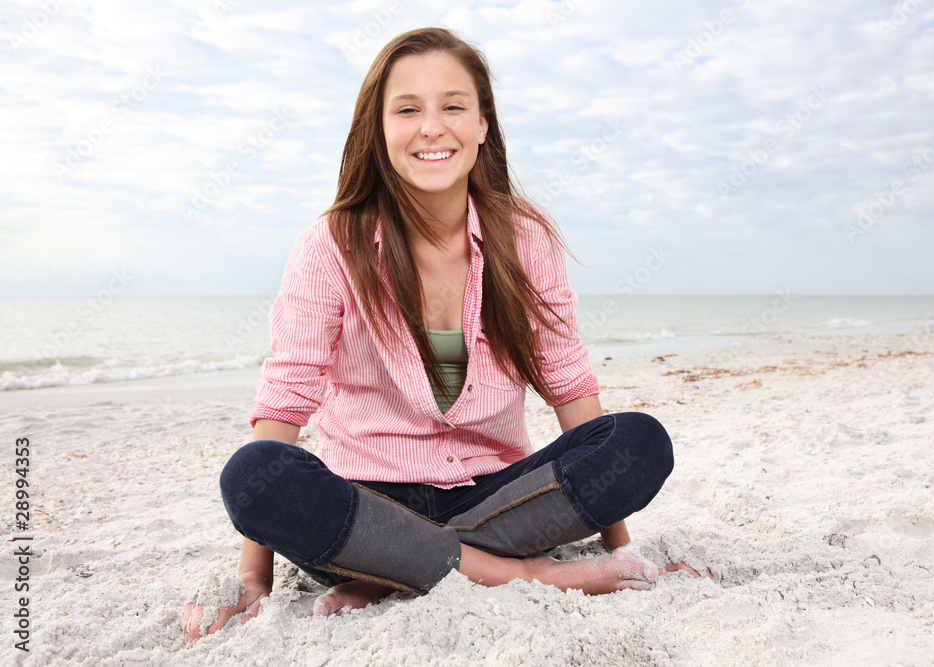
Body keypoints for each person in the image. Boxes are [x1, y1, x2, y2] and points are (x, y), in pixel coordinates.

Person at [182, 26, 685, 643]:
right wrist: (253, 580)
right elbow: (286, 400)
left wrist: (621, 544)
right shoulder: (331, 244)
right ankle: (526, 575)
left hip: (499, 500)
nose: (432, 127)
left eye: (453, 106)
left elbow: (568, 382)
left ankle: (393, 575)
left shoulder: (526, 239)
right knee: (253, 473)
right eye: (408, 109)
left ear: (482, 124)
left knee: (639, 440)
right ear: (380, 127)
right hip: (366, 507)